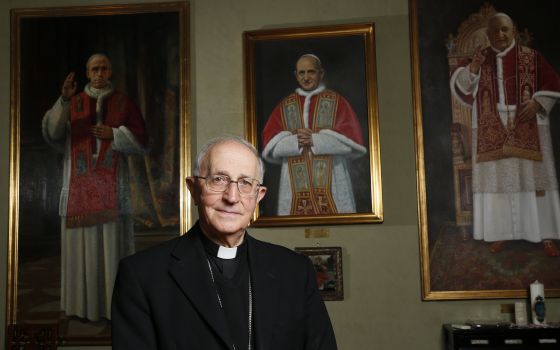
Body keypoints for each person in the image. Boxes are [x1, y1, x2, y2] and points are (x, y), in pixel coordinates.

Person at [111, 136, 337, 349]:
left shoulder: (295, 271)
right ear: (193, 189)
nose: (232, 197)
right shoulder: (142, 275)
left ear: (258, 196)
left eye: (246, 183)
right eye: (218, 180)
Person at [42, 53, 147, 321]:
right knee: (81, 248)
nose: (99, 73)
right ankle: (81, 307)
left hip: (111, 184)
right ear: (87, 73)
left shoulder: (123, 102)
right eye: (94, 69)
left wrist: (116, 134)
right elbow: (53, 133)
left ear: (110, 71)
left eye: (104, 68)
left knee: (112, 246)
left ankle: (114, 307)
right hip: (78, 182)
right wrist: (64, 99)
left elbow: (141, 140)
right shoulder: (74, 101)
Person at [450, 13, 560, 256]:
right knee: (500, 183)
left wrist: (538, 104)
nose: (500, 35)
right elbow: (462, 87)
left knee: (535, 182)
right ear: (488, 35)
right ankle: (502, 234)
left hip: (529, 123)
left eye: (505, 30)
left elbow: (553, 83)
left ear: (513, 32)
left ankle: (545, 235)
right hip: (492, 125)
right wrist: (475, 67)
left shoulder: (531, 57)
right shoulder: (479, 59)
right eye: (495, 31)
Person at [262, 54, 367, 215]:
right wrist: (295, 142)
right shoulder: (285, 106)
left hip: (333, 178)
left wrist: (315, 140)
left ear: (321, 73)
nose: (306, 77)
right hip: (293, 185)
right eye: (301, 73)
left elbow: (351, 143)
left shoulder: (337, 102)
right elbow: (271, 147)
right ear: (296, 75)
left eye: (310, 72)